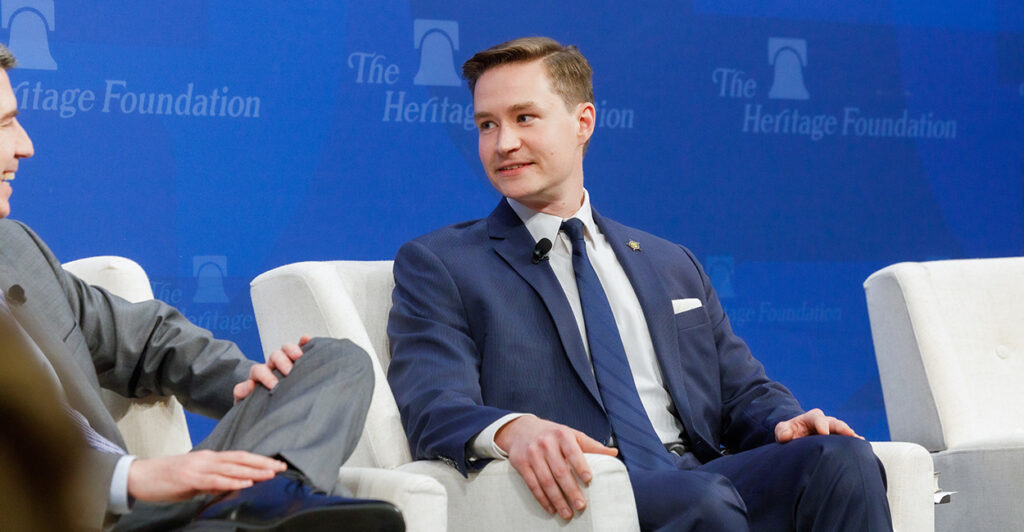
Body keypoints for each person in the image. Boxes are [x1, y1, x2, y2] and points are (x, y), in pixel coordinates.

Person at [387, 37, 892, 531]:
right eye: (486, 125)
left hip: (698, 469)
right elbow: (435, 407)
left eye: (524, 118)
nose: (504, 143)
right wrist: (515, 429)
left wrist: (785, 419)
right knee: (704, 501)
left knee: (842, 458)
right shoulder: (443, 263)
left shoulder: (669, 262)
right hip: (597, 479)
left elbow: (741, 392)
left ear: (582, 122)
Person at [0, 44, 403, 532]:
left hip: (151, 511)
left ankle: (260, 500)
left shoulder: (14, 248)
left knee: (332, 361)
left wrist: (251, 381)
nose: (25, 145)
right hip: (64, 513)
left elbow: (148, 340)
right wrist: (129, 477)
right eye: (4, 125)